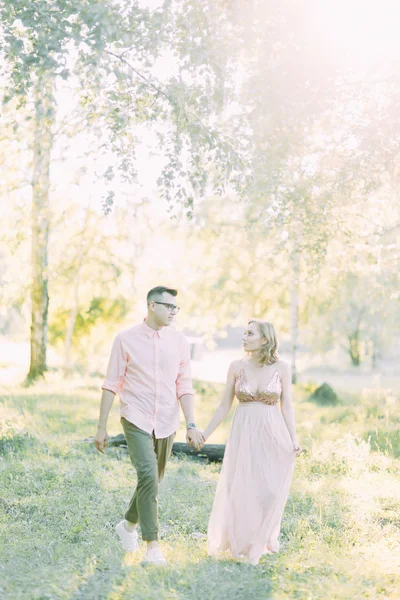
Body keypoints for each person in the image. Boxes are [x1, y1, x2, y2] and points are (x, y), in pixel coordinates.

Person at [94, 286, 204, 565]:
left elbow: (184, 385)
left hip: (167, 420)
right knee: (147, 474)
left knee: (153, 480)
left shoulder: (179, 341)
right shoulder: (125, 339)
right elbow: (111, 384)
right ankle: (152, 547)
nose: (173, 312)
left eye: (176, 308)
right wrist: (101, 427)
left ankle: (128, 526)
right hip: (136, 417)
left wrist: (191, 424)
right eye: (169, 306)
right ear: (152, 306)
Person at [202, 319, 301, 566]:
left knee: (268, 487)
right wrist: (205, 433)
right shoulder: (236, 366)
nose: (244, 337)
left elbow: (286, 405)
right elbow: (225, 404)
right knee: (242, 485)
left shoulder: (282, 367)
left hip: (272, 430)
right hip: (243, 431)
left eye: (249, 333)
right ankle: (241, 542)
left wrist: (293, 438)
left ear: (265, 340)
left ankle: (263, 538)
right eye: (244, 333)